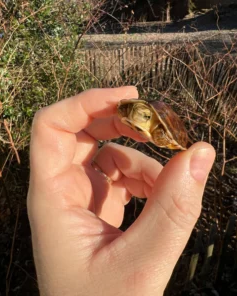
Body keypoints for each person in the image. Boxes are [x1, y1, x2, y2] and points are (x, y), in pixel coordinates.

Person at [27, 86, 215, 296]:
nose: (138, 114)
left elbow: (161, 131)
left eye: (143, 114)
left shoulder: (154, 124)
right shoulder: (127, 113)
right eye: (139, 112)